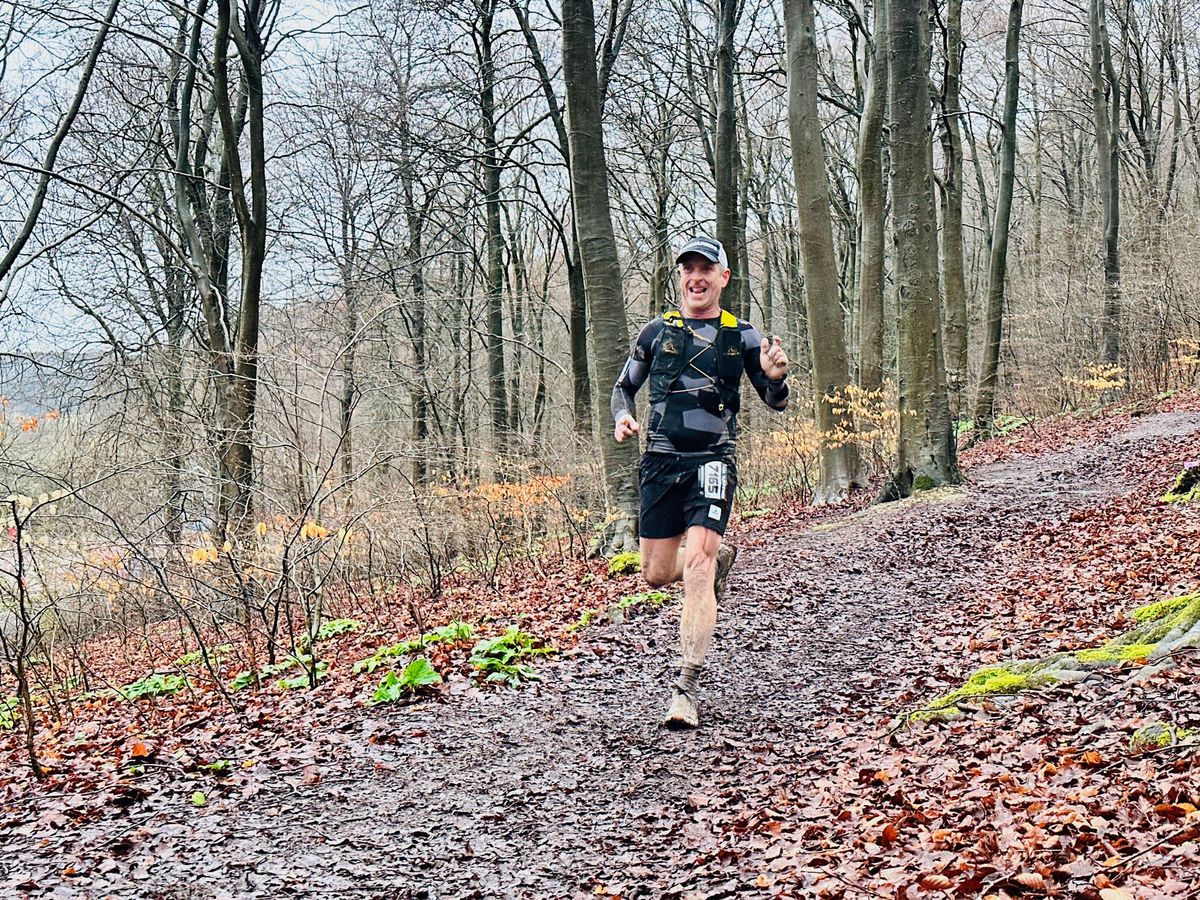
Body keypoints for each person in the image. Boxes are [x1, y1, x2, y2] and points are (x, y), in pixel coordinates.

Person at [611, 234, 789, 729]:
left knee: (698, 565)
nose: (696, 277)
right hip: (660, 463)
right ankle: (719, 559)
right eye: (688, 269)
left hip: (713, 460)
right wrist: (623, 417)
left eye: (706, 269)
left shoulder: (743, 336)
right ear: (680, 278)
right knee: (655, 575)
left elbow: (776, 402)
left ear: (723, 278)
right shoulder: (656, 332)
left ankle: (685, 687)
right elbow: (623, 387)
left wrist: (775, 377)